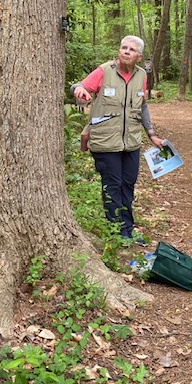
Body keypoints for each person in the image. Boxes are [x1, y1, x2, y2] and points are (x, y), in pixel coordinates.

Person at [72, 36, 164, 240]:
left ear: (139, 57)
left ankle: (127, 229)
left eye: (131, 49)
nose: (126, 51)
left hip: (130, 142)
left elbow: (142, 106)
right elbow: (81, 87)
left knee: (128, 184)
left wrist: (152, 135)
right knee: (113, 186)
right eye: (124, 47)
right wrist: (79, 90)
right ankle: (116, 233)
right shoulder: (104, 71)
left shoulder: (141, 75)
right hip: (105, 142)